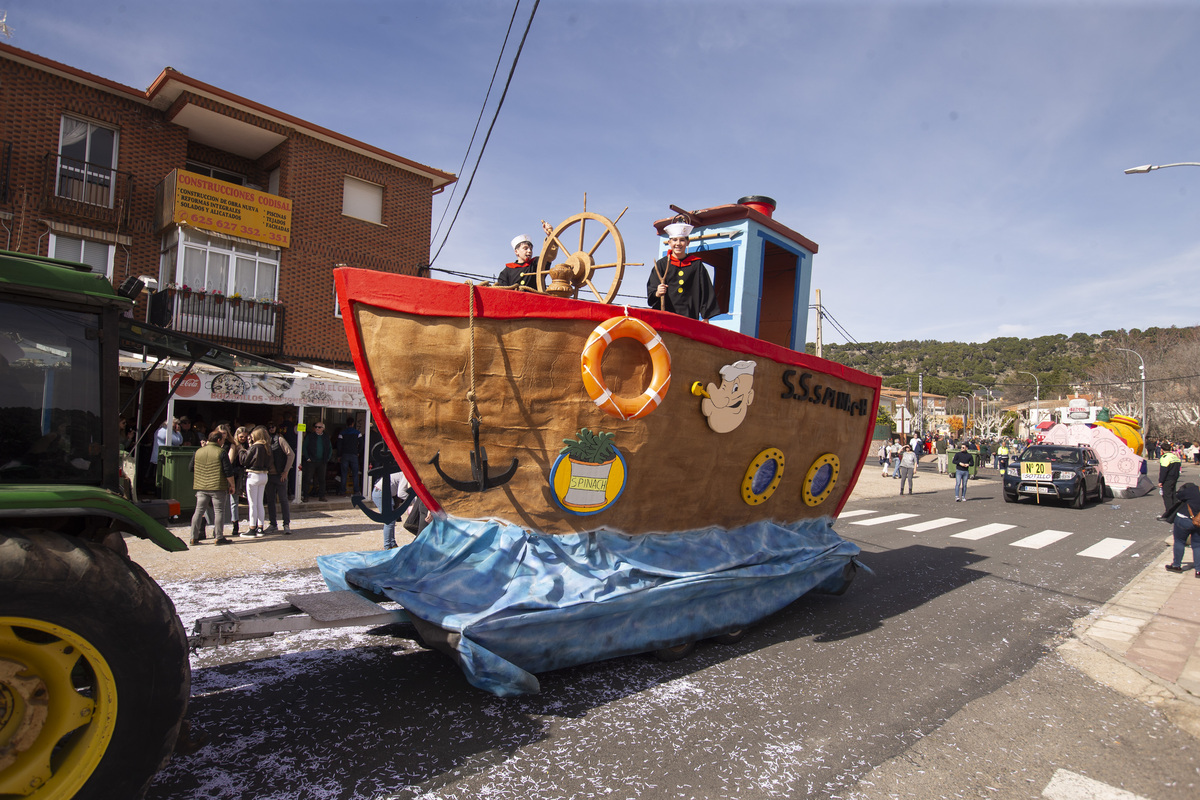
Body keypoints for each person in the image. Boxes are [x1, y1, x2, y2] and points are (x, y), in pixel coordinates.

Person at [647, 221, 719, 320]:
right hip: (665, 317)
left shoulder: (696, 265)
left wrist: (706, 317)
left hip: (689, 317)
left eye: (682, 240)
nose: (678, 243)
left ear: (687, 242)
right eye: (674, 240)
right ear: (669, 243)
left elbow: (705, 291)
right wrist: (657, 292)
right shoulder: (661, 265)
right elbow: (652, 291)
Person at [188, 430, 234, 546]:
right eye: (222, 440)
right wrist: (232, 485)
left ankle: (193, 537)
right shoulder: (221, 452)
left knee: (198, 511)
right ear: (218, 440)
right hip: (217, 486)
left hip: (201, 486)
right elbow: (228, 471)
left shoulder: (198, 451)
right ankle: (218, 537)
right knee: (219, 511)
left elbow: (190, 468)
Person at [495, 221, 557, 290]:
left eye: (530, 249)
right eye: (525, 248)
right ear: (516, 252)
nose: (529, 251)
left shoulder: (536, 264)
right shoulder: (506, 271)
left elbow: (549, 256)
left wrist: (549, 236)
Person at [238, 426, 272, 538]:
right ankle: (260, 527)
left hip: (253, 475)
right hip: (264, 475)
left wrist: (242, 450)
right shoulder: (267, 447)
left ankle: (252, 528)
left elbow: (244, 460)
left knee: (252, 504)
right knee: (260, 502)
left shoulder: (255, 447)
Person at [263, 421, 294, 534]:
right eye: (269, 427)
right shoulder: (264, 442)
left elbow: (291, 454)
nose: (271, 429)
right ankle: (273, 524)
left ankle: (286, 524)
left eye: (273, 426)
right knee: (270, 501)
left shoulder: (279, 440)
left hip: (279, 475)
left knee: (283, 500)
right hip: (268, 476)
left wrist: (285, 471)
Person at [1164, 482, 1200, 577]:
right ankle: (1198, 570)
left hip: (1184, 519)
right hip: (1199, 524)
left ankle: (1176, 565)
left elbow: (1179, 496)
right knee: (1197, 546)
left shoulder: (1193, 490)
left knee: (1179, 542)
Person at [371, 470, 412, 550]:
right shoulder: (406, 473)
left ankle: (392, 544)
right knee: (389, 520)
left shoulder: (403, 472)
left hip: (382, 492)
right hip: (380, 493)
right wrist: (413, 501)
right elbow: (401, 493)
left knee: (391, 519)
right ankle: (387, 546)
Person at [302, 420, 333, 501]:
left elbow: (330, 448)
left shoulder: (325, 437)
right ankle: (305, 496)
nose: (317, 428)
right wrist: (307, 457)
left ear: (323, 428)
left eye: (319, 427)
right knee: (308, 478)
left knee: (322, 479)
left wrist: (328, 457)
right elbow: (304, 446)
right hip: (311, 460)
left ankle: (322, 496)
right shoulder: (310, 436)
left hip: (322, 461)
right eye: (315, 427)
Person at [337, 416, 362, 496]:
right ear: (353, 423)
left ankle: (342, 491)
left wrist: (339, 455)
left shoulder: (342, 433)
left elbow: (339, 445)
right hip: (354, 455)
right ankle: (356, 491)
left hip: (345, 455)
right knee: (355, 473)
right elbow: (362, 444)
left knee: (344, 473)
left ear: (346, 424)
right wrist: (358, 452)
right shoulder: (357, 433)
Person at [1159, 449, 1183, 522]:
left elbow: (1163, 470)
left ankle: (1169, 514)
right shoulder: (1175, 457)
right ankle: (1176, 512)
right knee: (1173, 495)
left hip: (1167, 479)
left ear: (1162, 450)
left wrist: (1161, 481)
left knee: (1167, 496)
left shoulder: (1165, 457)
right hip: (1174, 478)